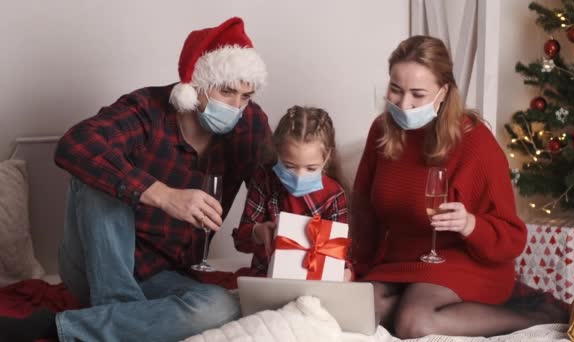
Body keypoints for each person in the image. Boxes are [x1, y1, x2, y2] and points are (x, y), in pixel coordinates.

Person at [0, 17, 271, 342]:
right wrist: (163, 195)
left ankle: (65, 328)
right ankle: (118, 308)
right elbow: (74, 145)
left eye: (246, 96)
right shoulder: (146, 110)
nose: (236, 106)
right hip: (95, 267)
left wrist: (275, 229)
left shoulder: (249, 125)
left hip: (164, 275)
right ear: (194, 84)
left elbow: (275, 181)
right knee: (98, 170)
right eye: (226, 92)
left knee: (220, 308)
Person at [350, 35, 561, 339]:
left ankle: (532, 317)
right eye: (395, 90)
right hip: (400, 260)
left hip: (464, 261)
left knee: (415, 323)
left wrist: (470, 224)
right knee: (360, 310)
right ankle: (399, 301)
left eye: (418, 94)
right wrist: (355, 268)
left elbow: (513, 237)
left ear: (444, 92)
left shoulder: (475, 141)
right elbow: (364, 212)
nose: (404, 103)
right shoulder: (381, 132)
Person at [232, 105, 351, 280]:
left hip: (313, 284)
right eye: (289, 166)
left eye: (311, 168)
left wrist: (344, 272)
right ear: (277, 152)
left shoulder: (334, 195)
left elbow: (339, 252)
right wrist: (257, 231)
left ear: (327, 158)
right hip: (265, 279)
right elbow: (241, 242)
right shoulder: (264, 179)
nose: (299, 176)